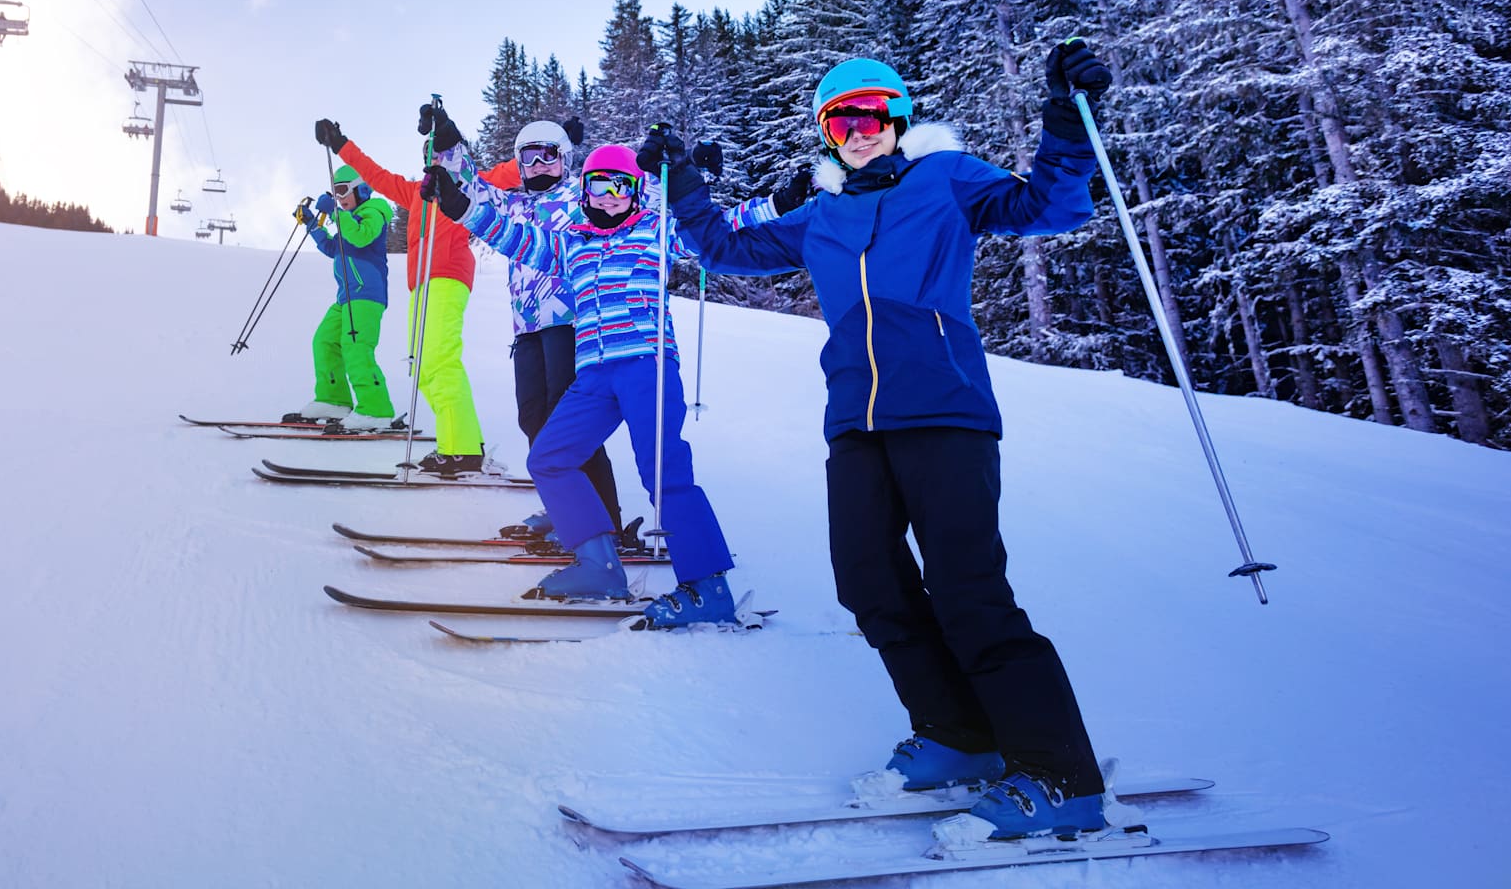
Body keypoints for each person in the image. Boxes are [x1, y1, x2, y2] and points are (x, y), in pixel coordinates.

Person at [664, 42, 1115, 839]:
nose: (857, 131)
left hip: (946, 411)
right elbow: (726, 249)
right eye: (840, 120)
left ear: (898, 119)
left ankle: (1061, 776)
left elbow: (1051, 205)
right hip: (856, 424)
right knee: (868, 585)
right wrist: (685, 186)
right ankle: (958, 734)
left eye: (871, 115)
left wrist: (1064, 116)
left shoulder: (946, 180)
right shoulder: (824, 214)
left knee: (970, 592)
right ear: (826, 133)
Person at [421, 137, 740, 628]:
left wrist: (782, 200)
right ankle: (598, 564)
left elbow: (723, 229)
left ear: (637, 192)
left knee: (661, 468)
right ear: (584, 192)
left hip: (646, 363)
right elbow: (513, 236)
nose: (608, 195)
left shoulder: (657, 231)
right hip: (594, 373)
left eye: (620, 186)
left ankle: (708, 587)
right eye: (597, 186)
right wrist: (461, 205)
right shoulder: (571, 242)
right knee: (549, 458)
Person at [314, 115, 487, 475]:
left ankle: (463, 451)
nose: (433, 160)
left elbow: (512, 174)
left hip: (447, 273)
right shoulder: (416, 193)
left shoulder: (470, 186)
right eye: (428, 154)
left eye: (440, 152)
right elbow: (374, 175)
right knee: (424, 368)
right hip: (422, 283)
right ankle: (459, 442)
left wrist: (450, 136)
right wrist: (340, 143)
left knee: (440, 360)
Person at [285, 166, 397, 430]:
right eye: (336, 193)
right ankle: (333, 399)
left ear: (362, 189)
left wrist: (336, 214)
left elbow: (360, 237)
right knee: (324, 340)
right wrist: (312, 224)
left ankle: (376, 409)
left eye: (344, 190)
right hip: (346, 297)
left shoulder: (373, 213)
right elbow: (331, 248)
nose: (340, 198)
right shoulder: (349, 219)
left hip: (367, 295)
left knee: (356, 347)